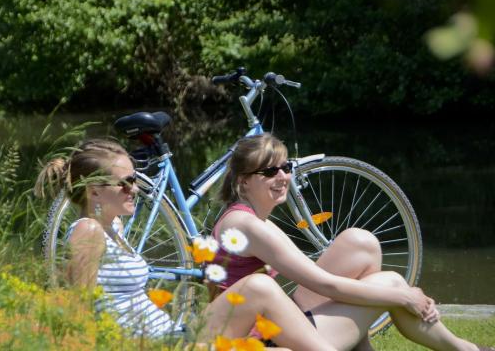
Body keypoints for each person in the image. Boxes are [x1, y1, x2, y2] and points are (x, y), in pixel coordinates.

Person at [35, 138, 337, 350]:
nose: (134, 188)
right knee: (260, 288)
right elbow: (79, 310)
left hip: (173, 335)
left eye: (134, 179)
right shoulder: (87, 230)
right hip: (159, 345)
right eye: (123, 183)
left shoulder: (113, 226)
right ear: (94, 193)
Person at [209, 132, 488, 351]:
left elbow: (310, 274)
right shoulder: (247, 226)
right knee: (391, 284)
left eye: (286, 167)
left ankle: (360, 345)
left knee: (360, 243)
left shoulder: (253, 220)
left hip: (271, 320)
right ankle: (466, 350)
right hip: (260, 339)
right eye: (270, 172)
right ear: (244, 182)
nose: (283, 177)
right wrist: (405, 296)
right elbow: (325, 284)